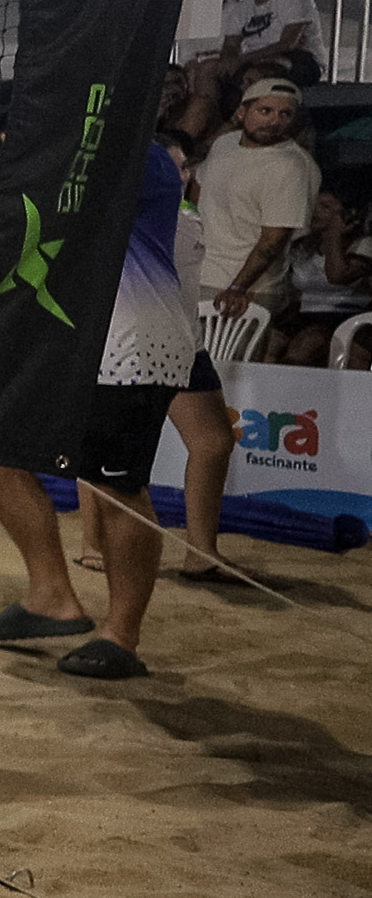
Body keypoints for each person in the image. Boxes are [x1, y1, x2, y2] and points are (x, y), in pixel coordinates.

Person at [0, 135, 185, 679]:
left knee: (116, 489)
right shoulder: (69, 147)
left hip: (129, 339)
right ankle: (51, 597)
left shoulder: (137, 151)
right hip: (61, 335)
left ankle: (122, 635)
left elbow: (47, 187)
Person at [181, 76, 319, 570]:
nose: (275, 120)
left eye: (284, 114)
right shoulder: (220, 146)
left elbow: (274, 238)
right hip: (196, 276)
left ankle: (225, 493)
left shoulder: (292, 167)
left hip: (246, 291)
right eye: (265, 110)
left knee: (226, 393)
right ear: (242, 111)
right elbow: (196, 200)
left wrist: (238, 287)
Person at [271, 184, 367, 366]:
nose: (315, 211)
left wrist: (335, 236)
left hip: (343, 315)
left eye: (325, 207)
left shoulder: (361, 247)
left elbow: (337, 276)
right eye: (314, 205)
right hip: (304, 312)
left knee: (306, 345)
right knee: (270, 344)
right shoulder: (302, 247)